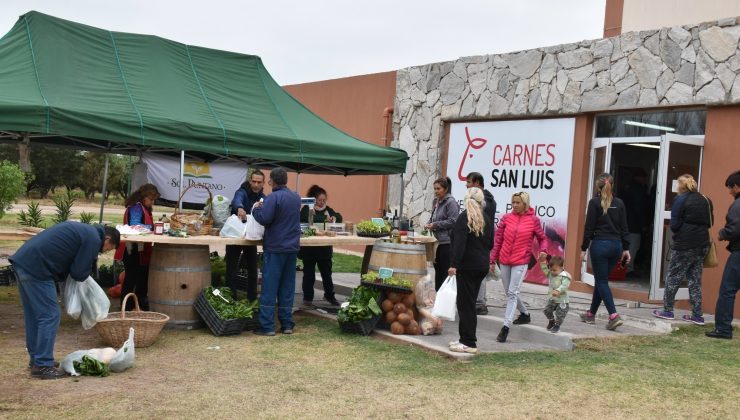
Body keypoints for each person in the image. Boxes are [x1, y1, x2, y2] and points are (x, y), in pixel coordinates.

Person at [9, 222, 120, 379]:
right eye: (110, 247)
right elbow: (79, 272)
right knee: (50, 315)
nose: (106, 250)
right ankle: (42, 365)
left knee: (35, 316)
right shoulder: (94, 238)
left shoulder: (86, 231)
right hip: (38, 269)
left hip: (25, 262)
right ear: (107, 238)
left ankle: (37, 360)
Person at [652, 174, 712, 325]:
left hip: (685, 245)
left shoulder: (680, 199)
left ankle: (668, 310)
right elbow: (711, 221)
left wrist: (681, 233)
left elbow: (674, 224)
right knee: (695, 279)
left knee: (673, 276)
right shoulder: (705, 199)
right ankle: (697, 315)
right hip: (702, 244)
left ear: (680, 186)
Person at [489, 191, 547, 343]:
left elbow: (542, 238)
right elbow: (498, 240)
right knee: (509, 292)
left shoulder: (534, 220)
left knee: (513, 292)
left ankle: (505, 327)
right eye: (513, 202)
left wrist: (544, 251)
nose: (514, 205)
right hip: (504, 260)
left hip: (521, 261)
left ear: (525, 203)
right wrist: (492, 260)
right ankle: (525, 314)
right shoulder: (506, 218)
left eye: (518, 202)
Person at [251, 167, 301, 336]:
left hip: (275, 247)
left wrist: (256, 209)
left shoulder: (272, 198)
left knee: (270, 288)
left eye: (269, 180)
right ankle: (287, 324)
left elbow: (265, 218)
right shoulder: (296, 197)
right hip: (292, 248)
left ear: (272, 181)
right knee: (287, 287)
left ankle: (267, 326)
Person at [579, 173, 630, 331]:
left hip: (600, 245)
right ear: (612, 185)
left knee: (601, 282)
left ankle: (613, 315)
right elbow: (624, 227)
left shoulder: (594, 202)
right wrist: (626, 248)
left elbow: (589, 227)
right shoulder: (620, 203)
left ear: (597, 187)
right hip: (616, 246)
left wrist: (583, 248)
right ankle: (591, 314)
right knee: (601, 282)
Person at [447, 187, 494, 354]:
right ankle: (465, 339)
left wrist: (454, 264)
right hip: (481, 266)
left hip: (466, 266)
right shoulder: (486, 219)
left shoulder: (463, 218)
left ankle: (468, 342)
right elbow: (491, 244)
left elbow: (459, 245)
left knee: (464, 305)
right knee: (470, 304)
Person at [706, 170, 740, 339]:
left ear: (737, 187)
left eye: (730, 188)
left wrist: (722, 233)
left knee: (727, 290)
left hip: (739, 254)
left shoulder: (738, 205)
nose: (729, 192)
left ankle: (723, 329)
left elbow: (734, 228)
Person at [114, 183, 159, 311]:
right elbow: (135, 226)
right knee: (131, 279)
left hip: (140, 249)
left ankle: (139, 305)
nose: (152, 202)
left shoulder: (143, 207)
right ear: (144, 197)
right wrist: (153, 228)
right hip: (132, 249)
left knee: (141, 277)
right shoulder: (136, 207)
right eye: (151, 199)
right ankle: (127, 308)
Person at [225, 170, 265, 301]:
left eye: (259, 182)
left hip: (250, 238)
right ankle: (231, 299)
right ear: (250, 181)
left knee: (253, 270)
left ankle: (252, 300)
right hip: (235, 237)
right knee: (231, 269)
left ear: (263, 183)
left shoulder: (263, 197)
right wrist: (239, 208)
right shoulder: (241, 191)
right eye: (253, 181)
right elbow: (237, 201)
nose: (256, 184)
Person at [299, 184, 342, 306]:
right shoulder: (307, 209)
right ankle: (308, 298)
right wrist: (324, 219)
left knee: (327, 274)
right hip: (310, 249)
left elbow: (339, 217)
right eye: (320, 200)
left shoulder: (328, 209)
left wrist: (333, 218)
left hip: (324, 248)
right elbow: (303, 220)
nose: (322, 202)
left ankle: (329, 295)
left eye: (324, 200)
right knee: (309, 274)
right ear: (314, 199)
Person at [466, 171, 496, 315]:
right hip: (477, 242)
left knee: (480, 274)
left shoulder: (487, 201)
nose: (467, 185)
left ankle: (480, 303)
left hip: (481, 241)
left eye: (469, 183)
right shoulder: (482, 199)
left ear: (477, 183)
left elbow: (483, 222)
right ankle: (477, 300)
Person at [425, 177, 460, 290]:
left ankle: (446, 297)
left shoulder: (451, 202)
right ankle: (438, 295)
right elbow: (433, 217)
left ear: (445, 189)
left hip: (447, 242)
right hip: (437, 241)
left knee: (445, 271)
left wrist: (436, 225)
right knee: (437, 270)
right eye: (434, 188)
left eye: (438, 189)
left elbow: (453, 221)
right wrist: (429, 223)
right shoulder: (436, 201)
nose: (436, 191)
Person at [622, 169, 649, 276]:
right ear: (639, 178)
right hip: (634, 224)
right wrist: (643, 224)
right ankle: (627, 269)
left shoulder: (628, 188)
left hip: (627, 223)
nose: (644, 179)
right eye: (643, 177)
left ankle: (624, 268)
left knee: (628, 246)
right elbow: (639, 208)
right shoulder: (638, 190)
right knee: (633, 247)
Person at [540, 255, 571, 333]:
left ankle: (557, 325)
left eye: (554, 270)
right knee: (547, 310)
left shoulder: (565, 276)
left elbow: (564, 285)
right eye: (551, 270)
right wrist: (543, 261)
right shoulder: (551, 274)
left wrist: (558, 290)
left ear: (561, 268)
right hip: (553, 299)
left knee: (560, 314)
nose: (552, 272)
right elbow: (545, 271)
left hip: (562, 300)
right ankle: (551, 320)